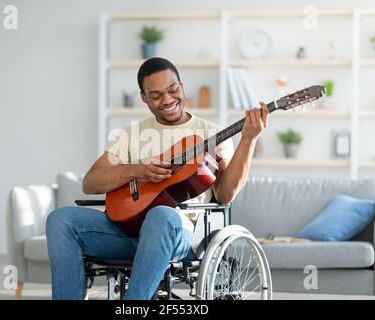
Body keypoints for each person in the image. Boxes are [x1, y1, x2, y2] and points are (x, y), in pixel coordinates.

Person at [46, 57, 269, 300]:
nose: (167, 100)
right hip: (126, 233)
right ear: (143, 97)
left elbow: (226, 195)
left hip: (181, 235)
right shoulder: (131, 135)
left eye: (173, 90)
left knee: (161, 214)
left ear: (181, 86)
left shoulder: (212, 134)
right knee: (60, 219)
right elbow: (90, 183)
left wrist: (248, 139)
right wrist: (135, 170)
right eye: (156, 96)